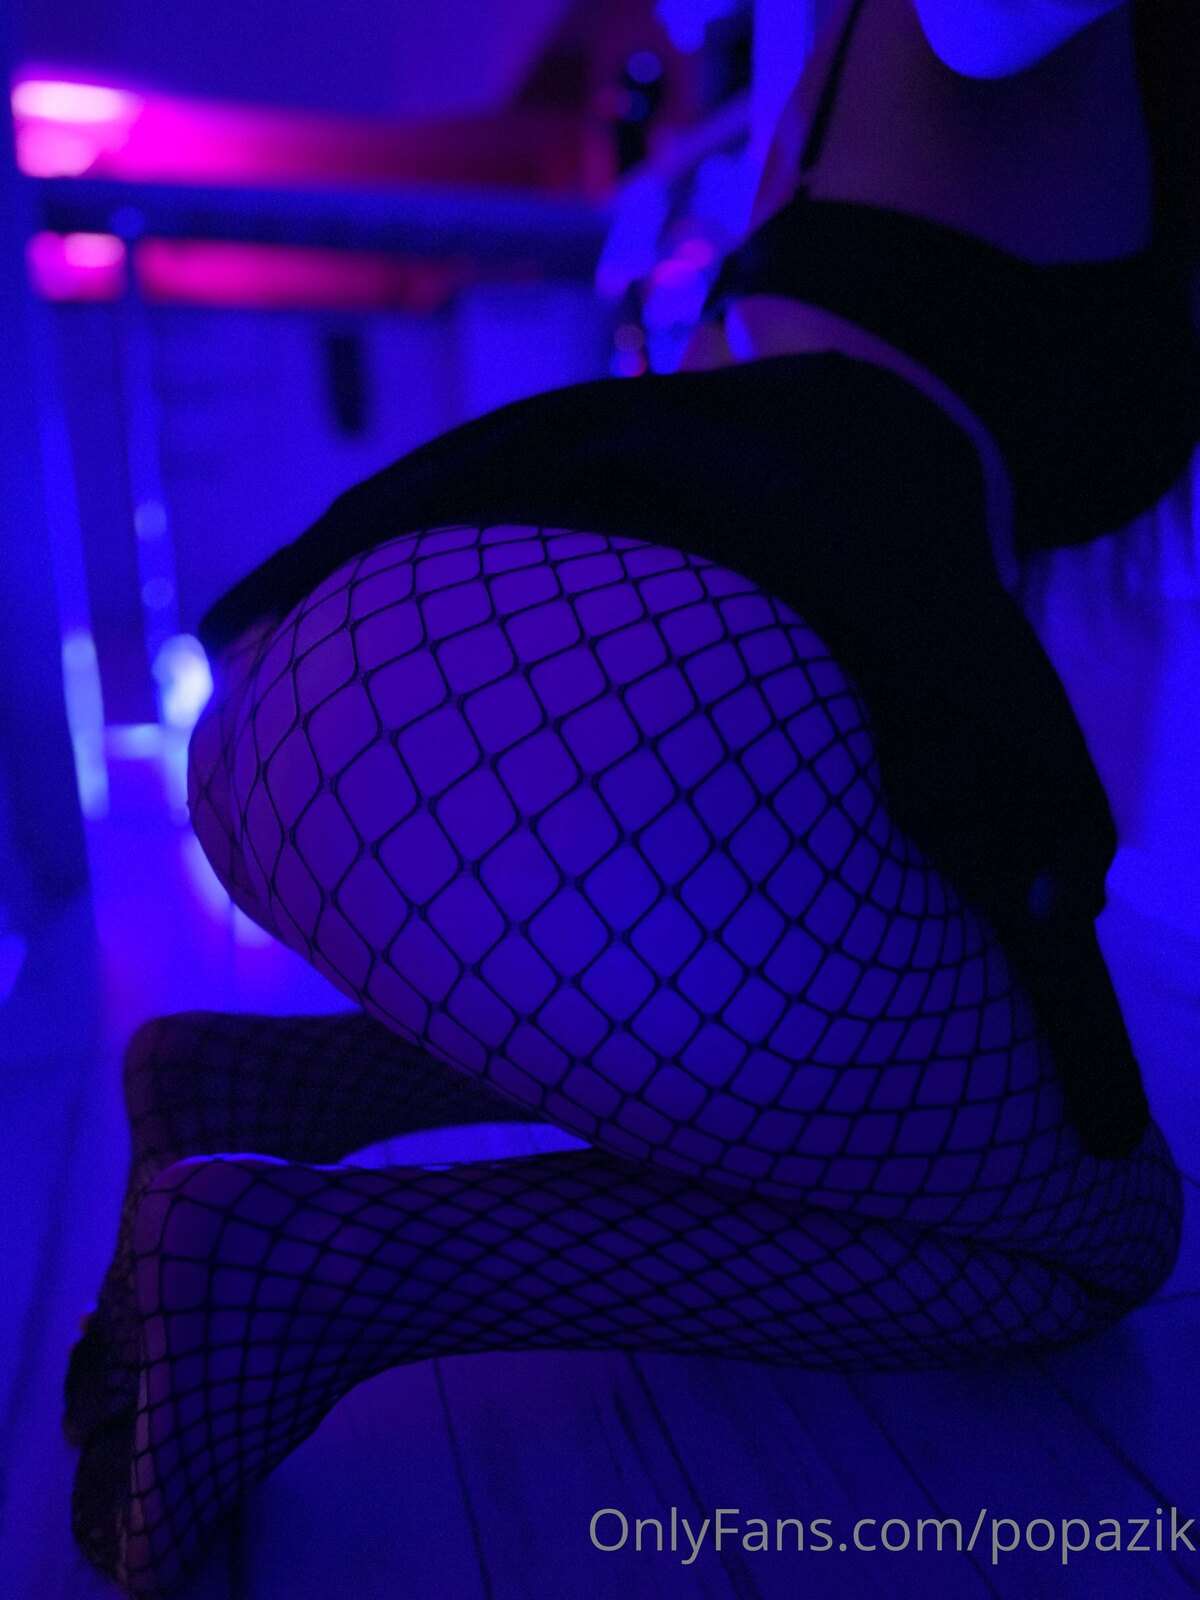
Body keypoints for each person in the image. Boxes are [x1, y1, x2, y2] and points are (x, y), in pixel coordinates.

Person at [66, 2, 1196, 1593]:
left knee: (853, 1027)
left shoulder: (813, 63)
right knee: (1100, 1231)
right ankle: (320, 1272)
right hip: (605, 687)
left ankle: (282, 1087)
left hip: (353, 685)